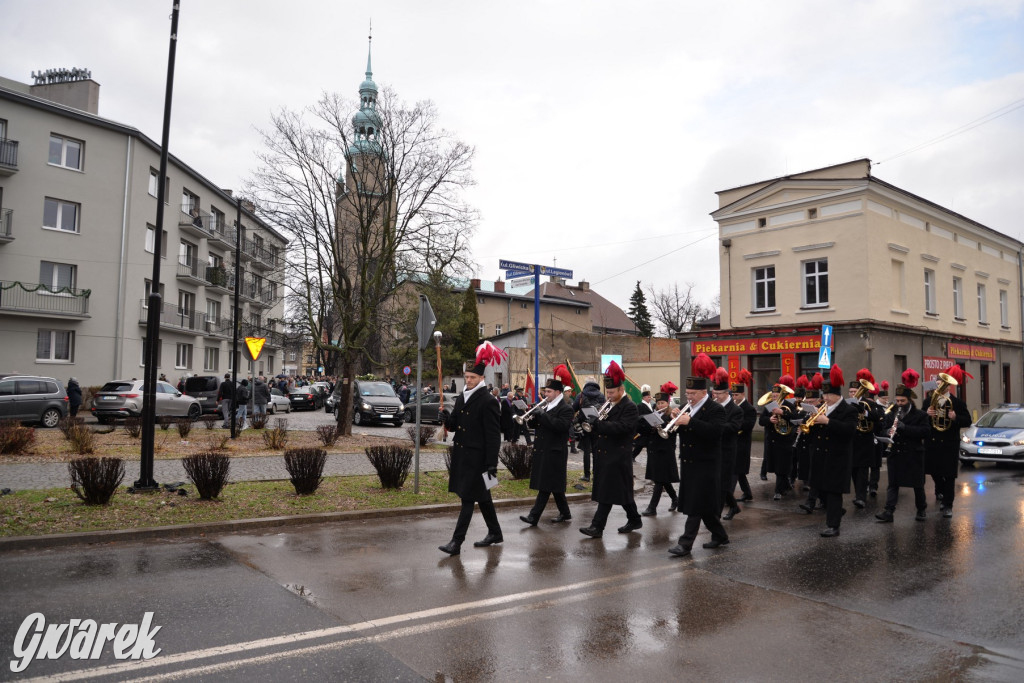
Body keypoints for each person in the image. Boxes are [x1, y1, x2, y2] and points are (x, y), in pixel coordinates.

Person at [439, 342, 506, 555]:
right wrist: (446, 420)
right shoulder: (462, 397)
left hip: (478, 460)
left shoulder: (488, 401)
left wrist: (491, 464)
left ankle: (456, 542)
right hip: (462, 456)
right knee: (483, 497)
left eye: (472, 378)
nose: (468, 381)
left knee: (468, 499)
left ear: (481, 379)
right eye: (466, 377)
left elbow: (493, 436)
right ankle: (495, 532)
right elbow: (455, 424)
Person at [668, 353, 728, 557]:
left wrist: (690, 422)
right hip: (689, 463)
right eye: (687, 393)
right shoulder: (689, 408)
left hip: (706, 463)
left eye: (693, 393)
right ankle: (720, 535)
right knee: (703, 506)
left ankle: (685, 544)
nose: (689, 397)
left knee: (695, 505)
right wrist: (676, 419)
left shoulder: (715, 409)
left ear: (704, 392)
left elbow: (716, 432)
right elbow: (684, 433)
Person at [579, 361, 642, 538]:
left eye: (612, 392)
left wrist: (599, 424)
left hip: (618, 455)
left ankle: (597, 527)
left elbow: (622, 428)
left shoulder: (629, 407)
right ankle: (635, 518)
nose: (609, 395)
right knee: (621, 492)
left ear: (621, 390)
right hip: (606, 454)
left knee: (608, 493)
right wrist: (592, 419)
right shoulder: (609, 404)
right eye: (607, 392)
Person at [520, 365, 575, 525]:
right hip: (544, 449)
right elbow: (540, 426)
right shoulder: (546, 406)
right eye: (545, 392)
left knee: (546, 485)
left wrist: (543, 416)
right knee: (554, 486)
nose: (545, 394)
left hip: (555, 451)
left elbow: (561, 426)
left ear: (558, 393)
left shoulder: (566, 408)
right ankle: (565, 513)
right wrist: (534, 418)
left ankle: (533, 516)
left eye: (549, 392)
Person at [807, 366, 857, 537]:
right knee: (821, 489)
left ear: (837, 394)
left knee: (834, 491)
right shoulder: (823, 408)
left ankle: (833, 526)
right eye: (824, 395)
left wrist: (827, 422)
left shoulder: (849, 410)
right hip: (821, 455)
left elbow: (850, 430)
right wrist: (811, 424)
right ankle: (837, 511)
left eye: (828, 395)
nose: (825, 398)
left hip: (837, 456)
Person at [876, 369, 932, 523]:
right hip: (896, 453)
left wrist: (905, 428)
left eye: (902, 401)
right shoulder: (891, 412)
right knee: (893, 484)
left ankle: (921, 509)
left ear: (909, 401)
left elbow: (926, 432)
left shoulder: (920, 415)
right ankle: (889, 511)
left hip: (913, 454)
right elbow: (883, 428)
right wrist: (887, 431)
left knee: (918, 485)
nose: (899, 404)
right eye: (897, 401)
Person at [924, 364, 972, 519]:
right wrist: (927, 414)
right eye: (938, 384)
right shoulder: (928, 402)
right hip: (933, 442)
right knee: (934, 472)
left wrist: (955, 417)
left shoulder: (957, 403)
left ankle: (948, 505)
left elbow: (968, 421)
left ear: (949, 386)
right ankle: (942, 492)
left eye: (942, 384)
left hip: (950, 443)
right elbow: (920, 421)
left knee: (949, 475)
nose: (939, 387)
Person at [640, 382, 679, 516]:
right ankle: (675, 499)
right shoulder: (654, 414)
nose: (660, 405)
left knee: (659, 480)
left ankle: (652, 508)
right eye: (658, 403)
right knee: (662, 479)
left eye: (662, 403)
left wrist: (663, 423)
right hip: (654, 450)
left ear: (667, 403)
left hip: (665, 451)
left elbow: (672, 432)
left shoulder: (670, 416)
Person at [758, 375, 798, 499]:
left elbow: (795, 419)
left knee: (782, 466)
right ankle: (785, 485)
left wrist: (783, 413)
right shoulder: (769, 405)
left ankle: (778, 491)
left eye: (777, 395)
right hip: (773, 440)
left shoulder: (789, 405)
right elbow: (761, 420)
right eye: (773, 395)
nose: (775, 397)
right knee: (777, 467)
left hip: (785, 440)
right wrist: (769, 419)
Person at [712, 368, 743, 520]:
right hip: (713, 449)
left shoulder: (736, 410)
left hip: (727, 451)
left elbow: (733, 427)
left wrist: (714, 426)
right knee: (720, 484)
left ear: (726, 394)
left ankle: (715, 517)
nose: (715, 396)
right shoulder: (713, 407)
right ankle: (734, 506)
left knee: (722, 484)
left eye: (718, 394)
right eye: (714, 394)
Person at [849, 369, 882, 508]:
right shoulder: (847, 404)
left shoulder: (870, 404)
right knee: (853, 470)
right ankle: (858, 494)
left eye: (854, 391)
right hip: (852, 441)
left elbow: (879, 418)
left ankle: (861, 497)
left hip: (865, 441)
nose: (852, 394)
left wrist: (864, 413)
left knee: (862, 470)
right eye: (850, 391)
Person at [732, 369, 756, 503]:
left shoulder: (749, 408)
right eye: (733, 395)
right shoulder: (732, 406)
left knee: (736, 470)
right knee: (738, 470)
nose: (734, 398)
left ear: (742, 394)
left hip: (742, 442)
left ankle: (728, 496)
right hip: (734, 441)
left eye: (736, 395)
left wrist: (735, 424)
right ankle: (747, 493)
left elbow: (748, 425)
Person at [572, 379, 604, 483]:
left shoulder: (581, 395)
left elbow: (574, 408)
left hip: (584, 425)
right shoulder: (601, 395)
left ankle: (586, 475)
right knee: (596, 451)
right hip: (596, 425)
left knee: (586, 451)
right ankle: (596, 475)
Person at [869, 381, 891, 497]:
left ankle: (873, 486)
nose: (886, 400)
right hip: (872, 436)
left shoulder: (889, 407)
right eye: (884, 398)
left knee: (876, 464)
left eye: (887, 397)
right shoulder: (876, 407)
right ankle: (869, 485)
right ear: (879, 397)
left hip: (883, 437)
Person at [632, 384, 653, 461]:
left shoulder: (651, 405)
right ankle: (632, 456)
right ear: (644, 397)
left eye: (649, 396)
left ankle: (650, 458)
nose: (649, 398)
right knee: (640, 445)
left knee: (645, 445)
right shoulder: (640, 406)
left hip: (649, 428)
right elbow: (639, 417)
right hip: (643, 428)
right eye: (648, 397)